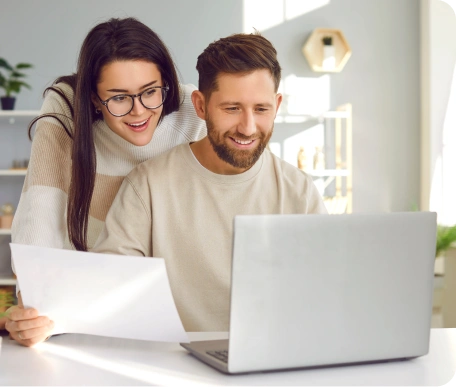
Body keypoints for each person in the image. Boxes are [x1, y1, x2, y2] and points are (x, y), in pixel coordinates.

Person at [92, 32, 328, 332]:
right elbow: (106, 289)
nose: (248, 127)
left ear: (277, 105)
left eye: (261, 109)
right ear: (201, 106)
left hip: (273, 365)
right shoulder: (148, 185)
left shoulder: (300, 192)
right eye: (232, 109)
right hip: (173, 365)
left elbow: (325, 295)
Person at [2, 17, 206, 345]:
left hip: (175, 314)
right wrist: (32, 307)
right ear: (95, 99)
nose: (139, 111)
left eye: (150, 92)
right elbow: (41, 207)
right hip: (83, 311)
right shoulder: (66, 105)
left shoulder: (192, 112)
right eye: (119, 98)